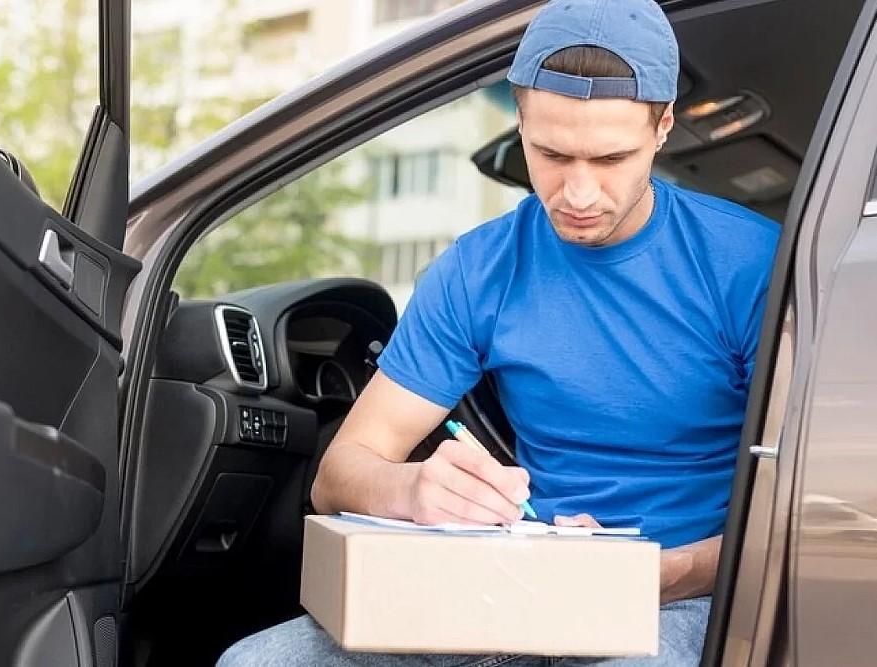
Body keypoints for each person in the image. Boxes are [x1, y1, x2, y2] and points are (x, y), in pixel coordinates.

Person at [218, 0, 779, 664]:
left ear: (662, 128)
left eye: (610, 158)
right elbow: (338, 473)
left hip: (689, 594)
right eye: (551, 154)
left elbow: (813, 511)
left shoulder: (751, 264)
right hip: (516, 582)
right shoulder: (477, 271)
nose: (578, 193)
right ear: (520, 120)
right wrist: (413, 490)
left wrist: (670, 572)